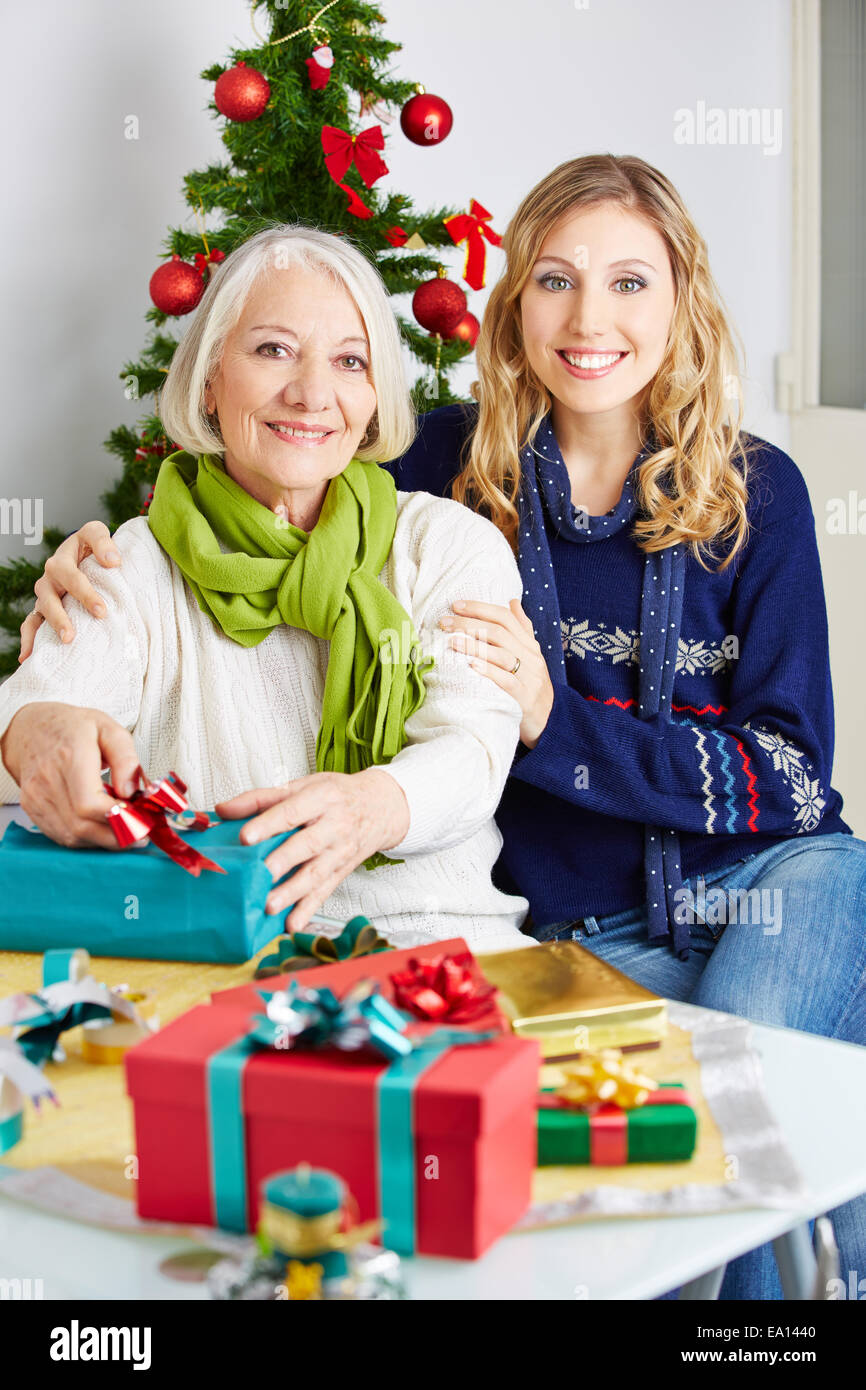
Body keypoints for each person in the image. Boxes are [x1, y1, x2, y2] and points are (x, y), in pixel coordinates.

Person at [18, 156, 866, 1300]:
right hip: (581, 920)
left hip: (771, 870)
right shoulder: (443, 472)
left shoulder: (753, 490)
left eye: (629, 283)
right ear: (513, 303)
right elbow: (288, 466)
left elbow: (794, 778)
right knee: (644, 1159)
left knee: (741, 1079)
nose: (589, 319)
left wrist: (555, 727)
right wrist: (71, 615)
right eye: (555, 280)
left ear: (681, 303)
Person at [0, 224, 533, 954]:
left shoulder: (446, 543)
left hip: (436, 942)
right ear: (210, 378)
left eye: (350, 361)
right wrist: (29, 735)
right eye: (273, 349)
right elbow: (40, 712)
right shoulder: (133, 562)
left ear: (374, 396)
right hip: (212, 949)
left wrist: (371, 807)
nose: (313, 393)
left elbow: (473, 749)